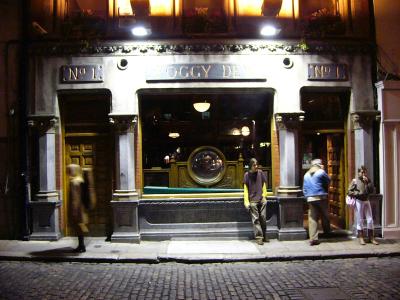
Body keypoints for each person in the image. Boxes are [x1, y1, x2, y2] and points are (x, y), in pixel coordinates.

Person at [303, 158, 331, 246]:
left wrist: (307, 196)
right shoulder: (321, 172)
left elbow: (304, 188)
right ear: (319, 165)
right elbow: (328, 181)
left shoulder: (306, 174)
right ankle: (327, 233)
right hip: (321, 197)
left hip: (310, 198)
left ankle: (313, 238)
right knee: (325, 215)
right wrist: (323, 170)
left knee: (312, 218)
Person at [347, 166, 379, 245]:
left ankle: (371, 237)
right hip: (359, 201)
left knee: (370, 219)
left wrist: (368, 183)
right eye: (361, 172)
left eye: (364, 172)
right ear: (358, 172)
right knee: (360, 219)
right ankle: (361, 237)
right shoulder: (355, 181)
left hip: (366, 200)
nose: (363, 174)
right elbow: (349, 191)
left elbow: (372, 190)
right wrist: (357, 193)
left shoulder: (368, 180)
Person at [243, 158, 268, 245]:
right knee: (256, 220)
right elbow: (245, 189)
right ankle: (259, 238)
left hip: (261, 199)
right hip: (253, 200)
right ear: (250, 166)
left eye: (257, 164)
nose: (256, 166)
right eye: (254, 165)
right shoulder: (246, 175)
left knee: (263, 218)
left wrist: (264, 196)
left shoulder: (260, 173)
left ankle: (264, 236)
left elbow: (264, 185)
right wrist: (246, 202)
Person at [67, 164, 90, 253]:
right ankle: (81, 245)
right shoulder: (80, 179)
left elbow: (75, 197)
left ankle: (81, 246)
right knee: (80, 226)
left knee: (79, 227)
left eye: (69, 170)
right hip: (81, 207)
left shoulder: (74, 182)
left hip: (77, 208)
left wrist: (74, 210)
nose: (68, 172)